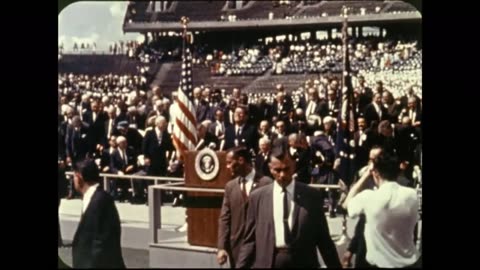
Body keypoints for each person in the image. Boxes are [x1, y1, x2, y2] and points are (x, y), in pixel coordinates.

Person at [236, 143, 341, 268]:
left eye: (286, 169)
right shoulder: (257, 198)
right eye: (277, 170)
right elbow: (249, 241)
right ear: (270, 168)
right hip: (268, 263)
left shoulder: (312, 197)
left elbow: (324, 240)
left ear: (294, 166)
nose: (282, 175)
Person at [343, 152, 421, 268]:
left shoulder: (368, 197)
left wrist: (364, 176)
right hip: (411, 263)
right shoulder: (412, 195)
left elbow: (346, 204)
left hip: (381, 265)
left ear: (376, 173)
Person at [217, 148, 272, 268]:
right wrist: (221, 247)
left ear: (241, 160)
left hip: (261, 249)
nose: (227, 166)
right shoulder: (230, 187)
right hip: (236, 249)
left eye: (229, 162)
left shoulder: (266, 183)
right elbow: (224, 218)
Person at [71, 159, 125, 268]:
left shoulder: (100, 200)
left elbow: (102, 242)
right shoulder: (92, 198)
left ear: (79, 177)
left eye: (74, 177)